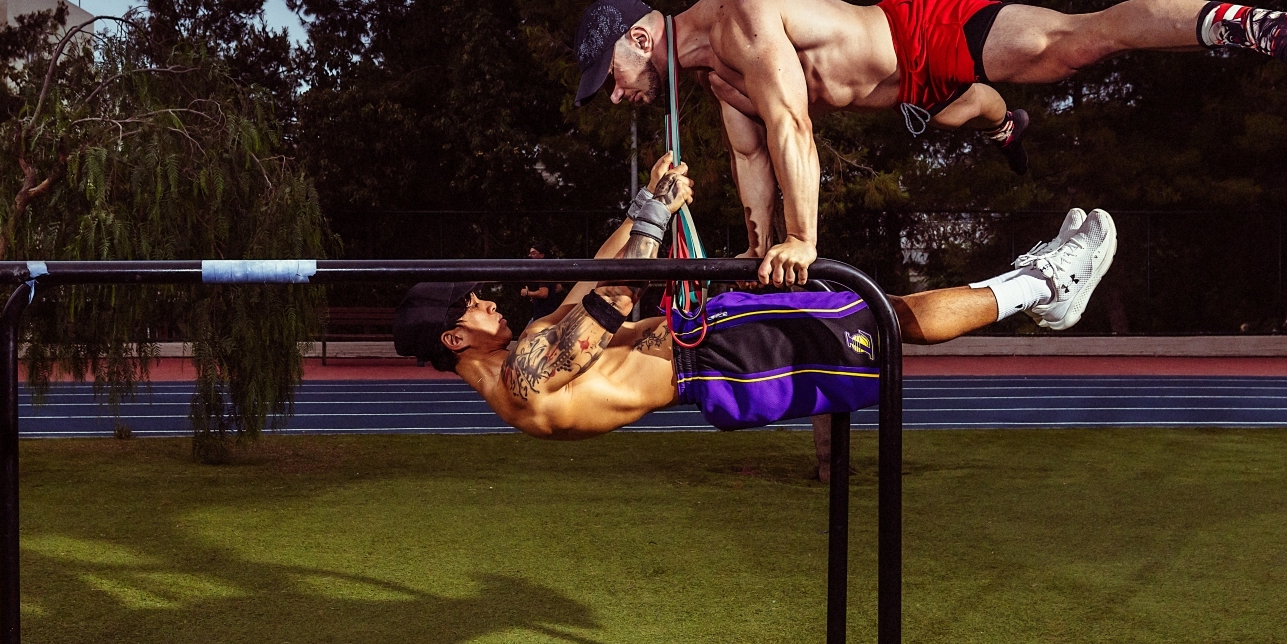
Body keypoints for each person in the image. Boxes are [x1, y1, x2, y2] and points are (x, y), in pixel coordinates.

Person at [571, 0, 1287, 285]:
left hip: (918, 32)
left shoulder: (739, 14)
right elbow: (750, 160)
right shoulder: (711, 75)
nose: (614, 97)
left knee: (1074, 44)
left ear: (639, 40)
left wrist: (802, 241)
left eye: (610, 79)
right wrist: (753, 249)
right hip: (909, 91)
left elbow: (790, 131)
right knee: (970, 110)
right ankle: (1006, 126)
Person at [391, 156, 1116, 440]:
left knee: (875, 303)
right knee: (884, 317)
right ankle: (1045, 283)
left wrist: (649, 199)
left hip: (707, 332)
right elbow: (607, 303)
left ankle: (1036, 282)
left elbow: (592, 272)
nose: (486, 301)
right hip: (727, 363)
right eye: (473, 305)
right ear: (455, 340)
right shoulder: (520, 383)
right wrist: (653, 218)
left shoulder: (521, 347)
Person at [519, 246, 563, 323]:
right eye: (530, 253)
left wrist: (527, 293)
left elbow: (543, 293)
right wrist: (536, 295)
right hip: (551, 313)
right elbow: (558, 288)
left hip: (542, 315)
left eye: (533, 253)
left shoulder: (542, 272)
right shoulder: (550, 269)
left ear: (542, 255)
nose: (530, 256)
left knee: (528, 333)